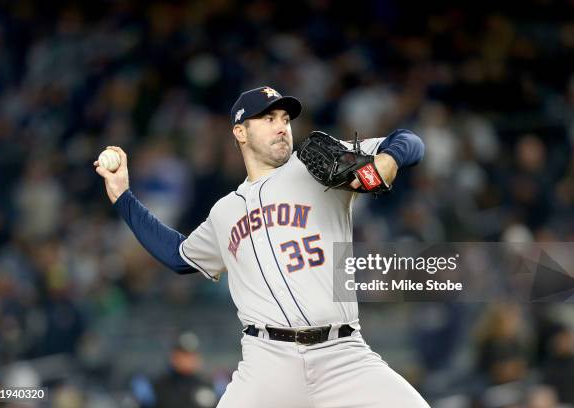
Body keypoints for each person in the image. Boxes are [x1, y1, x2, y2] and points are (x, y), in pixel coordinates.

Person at [95, 86, 429, 407]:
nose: (282, 127)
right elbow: (178, 256)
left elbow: (410, 141)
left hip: (342, 354)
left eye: (285, 119)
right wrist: (123, 197)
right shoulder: (225, 212)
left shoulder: (314, 168)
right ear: (240, 132)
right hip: (268, 362)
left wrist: (389, 159)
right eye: (268, 119)